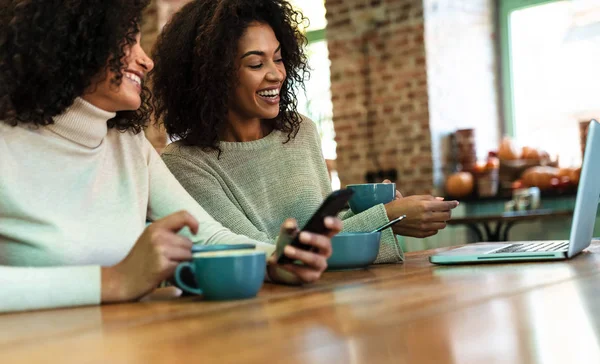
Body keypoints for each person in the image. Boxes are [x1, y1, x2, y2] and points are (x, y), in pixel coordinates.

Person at [0, 0, 341, 313]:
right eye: (126, 41)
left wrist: (275, 261)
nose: (145, 60)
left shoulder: (128, 144)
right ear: (73, 43)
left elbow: (206, 233)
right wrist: (114, 280)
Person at [151, 0, 458, 264]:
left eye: (279, 58)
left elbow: (324, 229)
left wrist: (378, 212)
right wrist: (385, 217)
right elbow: (266, 253)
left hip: (324, 303)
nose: (276, 74)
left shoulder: (300, 132)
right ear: (212, 76)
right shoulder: (183, 163)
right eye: (256, 63)